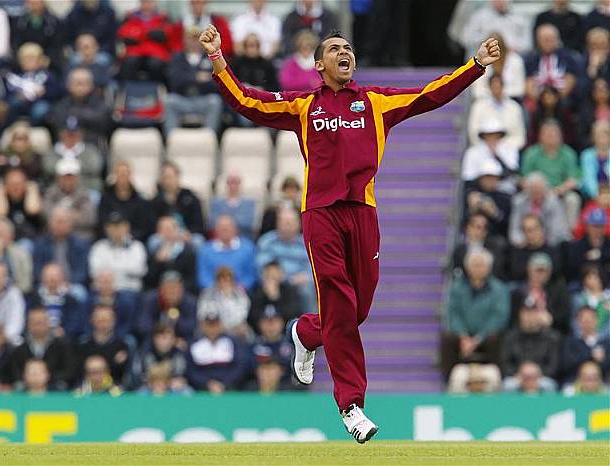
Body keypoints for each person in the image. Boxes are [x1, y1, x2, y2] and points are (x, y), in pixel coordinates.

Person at [199, 23, 500, 441]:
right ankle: (352, 406)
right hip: (320, 213)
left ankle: (306, 332)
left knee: (355, 311)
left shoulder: (374, 102)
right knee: (340, 301)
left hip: (363, 212)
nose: (346, 53)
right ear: (319, 65)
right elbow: (248, 101)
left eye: (349, 49)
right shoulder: (304, 105)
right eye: (335, 49)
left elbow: (431, 93)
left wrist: (474, 66)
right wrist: (218, 59)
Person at [440, 248, 510, 380]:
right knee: (446, 337)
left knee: (496, 338)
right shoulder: (456, 288)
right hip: (463, 336)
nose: (478, 268)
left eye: (481, 265)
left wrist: (478, 339)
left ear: (489, 267)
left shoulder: (499, 289)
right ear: (467, 267)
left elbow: (499, 317)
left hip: (486, 336)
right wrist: (463, 336)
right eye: (475, 265)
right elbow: (453, 313)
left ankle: (500, 380)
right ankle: (448, 380)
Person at [164, 28, 223, 137]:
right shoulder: (177, 58)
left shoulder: (210, 58)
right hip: (183, 99)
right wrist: (196, 77)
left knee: (215, 101)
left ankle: (210, 139)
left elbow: (217, 83)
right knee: (169, 101)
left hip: (203, 99)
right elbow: (174, 81)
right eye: (191, 39)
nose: (194, 42)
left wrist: (188, 78)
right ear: (185, 40)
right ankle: (170, 140)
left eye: (197, 39)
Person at [521, 120, 580, 229]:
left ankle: (569, 235)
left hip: (560, 192)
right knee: (518, 200)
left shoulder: (568, 153)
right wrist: (540, 192)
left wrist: (558, 190)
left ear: (561, 136)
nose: (551, 136)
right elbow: (524, 179)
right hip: (536, 192)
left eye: (554, 133)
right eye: (547, 133)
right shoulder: (531, 153)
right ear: (540, 136)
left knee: (573, 199)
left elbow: (573, 180)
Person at [257, 207, 316, 312]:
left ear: (299, 224)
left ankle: (313, 326)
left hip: (301, 284)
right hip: (275, 282)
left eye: (291, 222)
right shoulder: (267, 241)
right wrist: (286, 279)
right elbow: (262, 267)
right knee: (267, 288)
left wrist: (306, 277)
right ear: (277, 223)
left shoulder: (307, 243)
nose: (287, 226)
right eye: (284, 222)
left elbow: (313, 269)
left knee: (307, 289)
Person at [9, 307, 76, 390]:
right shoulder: (20, 348)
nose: (38, 326)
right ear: (28, 324)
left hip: (53, 386)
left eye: (41, 322)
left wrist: (46, 377)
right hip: (27, 387)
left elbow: (69, 371)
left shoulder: (62, 346)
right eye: (35, 322)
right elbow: (15, 371)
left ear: (48, 323)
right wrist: (29, 378)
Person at [116, 0, 181, 82]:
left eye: (149, 1)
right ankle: (128, 90)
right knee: (130, 62)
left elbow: (167, 34)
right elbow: (124, 35)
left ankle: (158, 89)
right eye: (144, 1)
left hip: (156, 54)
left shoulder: (163, 18)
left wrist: (140, 35)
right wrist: (147, 34)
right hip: (135, 52)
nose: (147, 4)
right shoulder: (131, 18)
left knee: (156, 64)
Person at [185, 309, 248, 393]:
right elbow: (191, 370)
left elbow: (239, 367)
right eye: (209, 325)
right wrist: (208, 384)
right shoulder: (194, 344)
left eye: (215, 325)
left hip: (229, 387)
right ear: (203, 325)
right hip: (202, 388)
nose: (212, 329)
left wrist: (223, 384)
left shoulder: (232, 342)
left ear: (221, 325)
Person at [500, 302, 561, 382]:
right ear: (520, 315)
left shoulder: (551, 337)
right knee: (508, 385)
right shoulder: (510, 336)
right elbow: (505, 363)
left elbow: (554, 365)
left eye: (533, 313)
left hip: (542, 377)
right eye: (526, 313)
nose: (529, 317)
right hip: (517, 377)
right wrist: (519, 373)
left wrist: (537, 373)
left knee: (549, 386)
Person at [511, 252, 570, 334]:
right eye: (537, 270)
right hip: (522, 332)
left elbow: (563, 314)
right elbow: (512, 316)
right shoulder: (518, 292)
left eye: (544, 271)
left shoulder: (557, 291)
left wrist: (551, 319)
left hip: (549, 333)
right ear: (529, 269)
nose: (540, 274)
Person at [89, 211, 147, 293]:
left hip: (129, 290)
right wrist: (123, 270)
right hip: (102, 291)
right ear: (106, 228)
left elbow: (139, 270)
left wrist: (110, 271)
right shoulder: (98, 247)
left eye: (119, 226)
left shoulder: (137, 247)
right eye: (112, 226)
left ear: (127, 227)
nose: (115, 229)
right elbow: (94, 272)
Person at [51, 67, 111, 146]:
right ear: (69, 85)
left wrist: (75, 113)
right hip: (65, 146)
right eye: (77, 83)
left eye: (85, 83)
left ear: (91, 85)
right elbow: (57, 120)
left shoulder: (100, 103)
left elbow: (101, 121)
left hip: (91, 146)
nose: (81, 87)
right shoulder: (62, 103)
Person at [508, 172, 571, 248]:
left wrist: (539, 241)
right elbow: (514, 230)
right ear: (527, 191)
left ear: (546, 189)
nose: (537, 194)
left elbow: (557, 231)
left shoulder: (554, 202)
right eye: (533, 191)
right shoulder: (518, 202)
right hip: (526, 243)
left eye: (540, 190)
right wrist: (524, 241)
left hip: (550, 243)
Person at [33, 206, 90, 288]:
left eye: (63, 222)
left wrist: (68, 284)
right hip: (46, 285)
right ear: (50, 223)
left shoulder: (81, 244)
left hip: (71, 285)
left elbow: (82, 271)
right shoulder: (40, 244)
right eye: (57, 222)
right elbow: (37, 269)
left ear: (70, 224)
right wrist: (49, 283)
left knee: (79, 293)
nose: (59, 225)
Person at [5, 42, 61, 126]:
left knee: (40, 110)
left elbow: (56, 92)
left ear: (40, 60)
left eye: (32, 58)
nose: (29, 62)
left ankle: (32, 128)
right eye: (26, 59)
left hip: (40, 101)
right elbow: (8, 92)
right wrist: (18, 95)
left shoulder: (47, 75)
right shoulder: (15, 76)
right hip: (21, 101)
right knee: (13, 103)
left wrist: (44, 92)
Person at [28, 263, 88, 340]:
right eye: (49, 276)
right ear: (42, 278)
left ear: (62, 278)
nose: (52, 279)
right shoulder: (34, 298)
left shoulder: (71, 300)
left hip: (63, 339)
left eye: (55, 276)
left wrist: (65, 331)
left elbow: (75, 321)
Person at [524, 24, 580, 106]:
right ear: (537, 40)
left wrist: (554, 98)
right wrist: (542, 99)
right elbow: (528, 83)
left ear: (557, 39)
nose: (547, 42)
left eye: (550, 39)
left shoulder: (567, 57)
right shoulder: (531, 59)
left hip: (561, 98)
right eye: (544, 39)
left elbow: (570, 81)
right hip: (538, 99)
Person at [197, 214, 257, 291]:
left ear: (235, 229)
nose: (225, 230)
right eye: (221, 227)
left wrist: (239, 288)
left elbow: (251, 275)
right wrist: (217, 289)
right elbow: (203, 276)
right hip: (213, 294)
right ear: (215, 230)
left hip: (242, 293)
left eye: (228, 227)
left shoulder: (248, 248)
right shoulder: (205, 250)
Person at [44, 117, 104, 192]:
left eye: (74, 134)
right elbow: (48, 167)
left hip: (86, 188)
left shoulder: (90, 150)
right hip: (57, 191)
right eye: (68, 133)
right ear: (61, 134)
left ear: (80, 134)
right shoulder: (53, 151)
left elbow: (95, 167)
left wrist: (69, 165)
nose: (71, 137)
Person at [97, 160, 153, 242]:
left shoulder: (139, 201)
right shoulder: (105, 198)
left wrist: (127, 236)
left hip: (133, 241)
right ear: (115, 175)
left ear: (130, 175)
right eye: (120, 174)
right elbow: (102, 223)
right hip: (108, 240)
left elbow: (143, 227)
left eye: (125, 174)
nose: (122, 177)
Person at [138, 270, 197, 346]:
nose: (172, 292)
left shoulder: (190, 302)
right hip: (154, 340)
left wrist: (176, 321)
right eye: (168, 288)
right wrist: (162, 334)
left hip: (180, 340)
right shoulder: (150, 299)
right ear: (161, 289)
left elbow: (191, 327)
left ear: (182, 288)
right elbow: (143, 326)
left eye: (175, 288)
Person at [42, 158, 97, 239]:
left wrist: (60, 215)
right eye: (64, 177)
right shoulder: (51, 193)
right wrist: (75, 214)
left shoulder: (84, 194)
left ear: (77, 178)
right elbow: (46, 214)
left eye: (71, 177)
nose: (68, 180)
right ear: (58, 178)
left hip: (79, 235)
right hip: (53, 236)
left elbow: (89, 218)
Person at [461, 119, 519, 195]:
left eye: (495, 135)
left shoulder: (510, 149)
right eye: (489, 135)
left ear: (500, 135)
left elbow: (512, 173)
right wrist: (486, 180)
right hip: (479, 191)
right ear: (483, 136)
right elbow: (468, 178)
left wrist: (496, 155)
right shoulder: (472, 152)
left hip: (504, 192)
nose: (492, 138)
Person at [467, 74, 526, 150]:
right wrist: (488, 147)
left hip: (509, 151)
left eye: (498, 87)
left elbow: (520, 138)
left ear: (503, 87)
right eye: (494, 87)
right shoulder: (478, 107)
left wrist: (502, 147)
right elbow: (473, 134)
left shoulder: (514, 107)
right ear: (489, 87)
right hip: (483, 150)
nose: (496, 90)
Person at [77, 305, 129, 385]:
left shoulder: (124, 344)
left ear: (114, 321)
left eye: (107, 320)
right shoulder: (82, 344)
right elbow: (78, 373)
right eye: (100, 320)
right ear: (92, 320)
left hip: (115, 389)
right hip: (87, 389)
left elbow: (126, 375)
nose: (103, 324)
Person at [151, 162, 205, 238]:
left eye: (170, 177)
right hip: (164, 236)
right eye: (165, 177)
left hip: (188, 235)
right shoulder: (155, 202)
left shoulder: (191, 198)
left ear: (177, 177)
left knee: (198, 241)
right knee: (154, 241)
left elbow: (199, 224)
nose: (168, 181)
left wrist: (188, 233)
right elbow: (151, 226)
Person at [197, 266, 251, 341]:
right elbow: (203, 315)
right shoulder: (207, 294)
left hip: (234, 331)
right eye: (220, 280)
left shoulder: (240, 296)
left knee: (245, 331)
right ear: (216, 281)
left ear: (232, 281)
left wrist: (227, 297)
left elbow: (240, 317)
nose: (223, 283)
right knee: (202, 328)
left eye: (227, 280)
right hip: (213, 329)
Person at [462, 159, 512, 240]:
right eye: (487, 177)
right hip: (470, 237)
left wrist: (495, 214)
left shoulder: (505, 199)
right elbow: (461, 220)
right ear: (480, 178)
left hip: (494, 238)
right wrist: (471, 210)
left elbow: (508, 226)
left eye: (494, 178)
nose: (490, 181)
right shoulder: (470, 194)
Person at [145, 215, 197, 292]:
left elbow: (191, 279)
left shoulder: (187, 251)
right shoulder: (154, 251)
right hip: (160, 291)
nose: (167, 232)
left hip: (181, 291)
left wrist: (176, 290)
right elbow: (149, 279)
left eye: (169, 229)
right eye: (163, 229)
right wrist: (157, 262)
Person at [461, 0, 531, 56]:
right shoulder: (479, 16)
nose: (500, 1)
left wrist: (513, 47)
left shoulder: (520, 18)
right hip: (485, 57)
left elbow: (527, 44)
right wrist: (485, 41)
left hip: (511, 59)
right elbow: (466, 38)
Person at [0, 167, 43, 244]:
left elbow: (33, 210)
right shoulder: (3, 198)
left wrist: (32, 190)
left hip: (29, 240)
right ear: (5, 185)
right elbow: (0, 214)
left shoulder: (30, 197)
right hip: (6, 242)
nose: (16, 188)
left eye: (19, 184)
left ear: (26, 184)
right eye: (12, 184)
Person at [132, 323, 188, 392]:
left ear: (173, 339)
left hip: (171, 387)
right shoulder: (145, 353)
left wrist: (168, 383)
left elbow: (181, 374)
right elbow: (138, 375)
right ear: (154, 339)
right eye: (160, 338)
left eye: (167, 338)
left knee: (187, 392)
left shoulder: (178, 354)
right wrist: (151, 383)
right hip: (149, 387)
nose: (164, 342)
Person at [508, 213, 563, 282]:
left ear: (542, 229)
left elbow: (556, 271)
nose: (532, 233)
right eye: (528, 230)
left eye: (535, 228)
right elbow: (517, 273)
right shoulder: (518, 252)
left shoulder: (553, 250)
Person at [561, 306, 610, 383]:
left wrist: (603, 360)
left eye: (590, 319)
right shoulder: (571, 342)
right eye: (583, 320)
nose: (587, 323)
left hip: (601, 384)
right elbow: (566, 366)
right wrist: (590, 355)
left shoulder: (606, 343)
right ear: (578, 322)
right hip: (574, 382)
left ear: (597, 320)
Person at [10, 0, 63, 71]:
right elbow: (15, 42)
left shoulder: (54, 22)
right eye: (32, 2)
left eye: (37, 2)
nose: (35, 4)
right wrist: (24, 57)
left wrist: (45, 59)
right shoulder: (18, 22)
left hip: (46, 60)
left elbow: (56, 45)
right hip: (23, 57)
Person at [87, 270, 140, 339]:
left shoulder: (124, 302)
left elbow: (127, 323)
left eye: (108, 282)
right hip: (94, 336)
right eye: (102, 282)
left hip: (118, 335)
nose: (105, 285)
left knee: (130, 340)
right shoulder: (89, 301)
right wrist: (94, 336)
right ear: (96, 283)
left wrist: (115, 337)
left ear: (114, 283)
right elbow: (86, 322)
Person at [249, 260, 303, 329]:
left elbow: (293, 314)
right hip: (260, 333)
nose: (272, 278)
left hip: (285, 330)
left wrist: (275, 298)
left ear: (281, 274)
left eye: (275, 274)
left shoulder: (289, 290)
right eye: (269, 274)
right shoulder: (256, 290)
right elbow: (253, 315)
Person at [451, 213, 506, 280]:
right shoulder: (459, 250)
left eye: (481, 228)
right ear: (467, 228)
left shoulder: (494, 248)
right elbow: (457, 272)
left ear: (485, 232)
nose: (476, 231)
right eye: (473, 226)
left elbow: (496, 272)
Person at [565, 208, 610, 284]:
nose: (597, 230)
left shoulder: (608, 244)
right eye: (594, 226)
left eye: (600, 226)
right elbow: (572, 268)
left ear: (604, 227)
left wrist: (601, 254)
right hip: (581, 285)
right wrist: (587, 258)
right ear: (587, 226)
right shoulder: (577, 245)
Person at [209, 174, 257, 239]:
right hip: (220, 238)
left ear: (240, 184)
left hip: (243, 237)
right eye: (231, 182)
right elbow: (212, 222)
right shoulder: (216, 203)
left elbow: (248, 222)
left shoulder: (249, 203)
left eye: (236, 183)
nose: (233, 186)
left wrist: (225, 222)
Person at [571, 266, 610, 337]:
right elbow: (573, 321)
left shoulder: (608, 297)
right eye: (589, 278)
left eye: (595, 278)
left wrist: (599, 336)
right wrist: (581, 336)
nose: (592, 281)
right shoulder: (578, 299)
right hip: (582, 338)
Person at [580, 120, 610, 200]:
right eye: (599, 135)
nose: (602, 138)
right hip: (593, 197)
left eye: (605, 134)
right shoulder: (586, 155)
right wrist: (598, 195)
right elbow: (588, 179)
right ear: (593, 137)